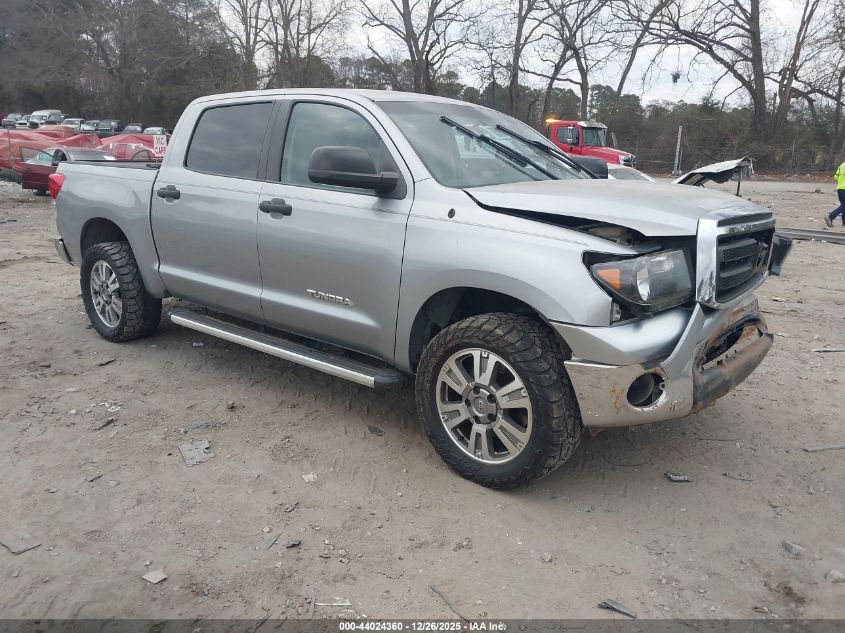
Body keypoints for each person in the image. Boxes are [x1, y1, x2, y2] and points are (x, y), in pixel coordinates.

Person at [824, 160, 845, 227]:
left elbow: (835, 177)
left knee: (843, 205)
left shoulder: (842, 165)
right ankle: (830, 217)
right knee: (844, 206)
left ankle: (844, 221)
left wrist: (841, 182)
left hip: (840, 188)